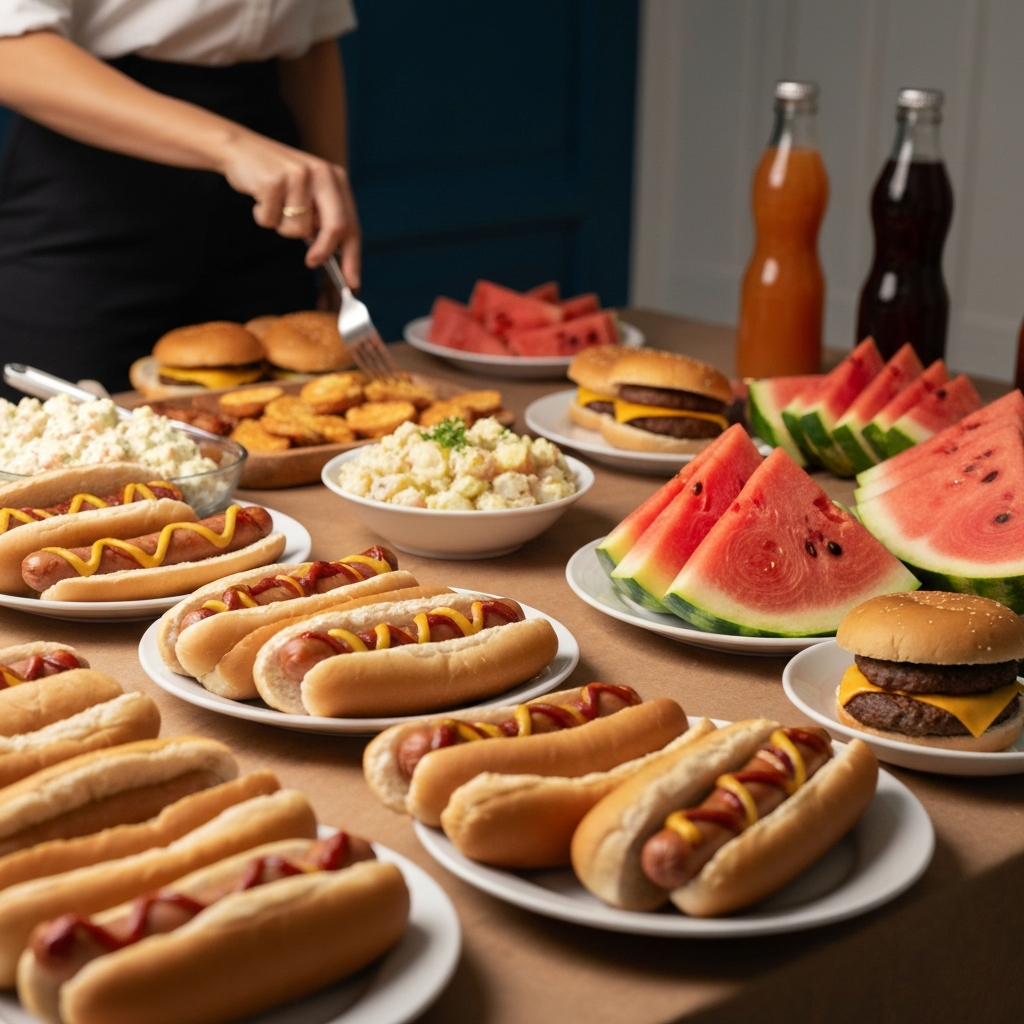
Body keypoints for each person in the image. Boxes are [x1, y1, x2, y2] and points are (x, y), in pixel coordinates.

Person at [0, 0, 361, 394]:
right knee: (69, 441)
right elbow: (10, 48)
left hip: (267, 191)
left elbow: (311, 40)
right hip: (93, 156)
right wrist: (233, 147)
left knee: (290, 426)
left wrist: (327, 198)